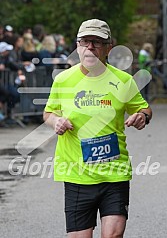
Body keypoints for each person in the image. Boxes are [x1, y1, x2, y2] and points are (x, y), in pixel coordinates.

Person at [43, 19, 152, 238]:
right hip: (77, 175)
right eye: (85, 41)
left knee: (113, 235)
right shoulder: (63, 80)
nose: (90, 47)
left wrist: (142, 117)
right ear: (77, 45)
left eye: (97, 42)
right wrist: (56, 121)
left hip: (115, 173)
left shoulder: (123, 80)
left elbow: (145, 109)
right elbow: (49, 112)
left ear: (108, 48)